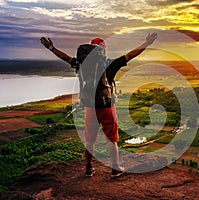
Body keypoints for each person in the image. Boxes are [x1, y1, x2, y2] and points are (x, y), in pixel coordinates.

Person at [40, 33, 158, 178]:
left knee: (90, 140)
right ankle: (115, 168)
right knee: (111, 138)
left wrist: (51, 48)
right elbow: (130, 55)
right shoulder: (109, 64)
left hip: (90, 106)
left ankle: (89, 168)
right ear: (102, 50)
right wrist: (146, 44)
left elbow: (65, 58)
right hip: (106, 106)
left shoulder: (82, 64)